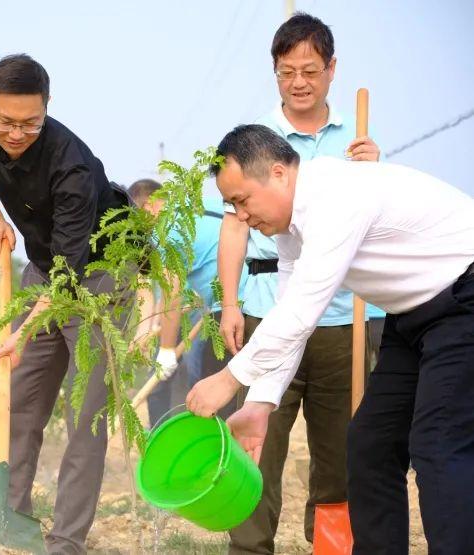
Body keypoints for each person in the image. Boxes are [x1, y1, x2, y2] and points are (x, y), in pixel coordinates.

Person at [188, 123, 474, 555]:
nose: (241, 217)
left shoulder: (335, 195)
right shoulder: (290, 232)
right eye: (231, 205)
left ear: (280, 173)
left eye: (243, 200)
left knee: (437, 443)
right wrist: (259, 404)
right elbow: (286, 315)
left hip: (463, 299)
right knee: (370, 445)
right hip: (412, 316)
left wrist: (229, 378)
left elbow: (302, 311)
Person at [216, 14, 381, 553]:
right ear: (275, 73)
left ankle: (333, 547)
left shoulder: (356, 144)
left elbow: (376, 218)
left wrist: (373, 170)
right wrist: (230, 301)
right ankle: (249, 547)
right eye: (287, 72)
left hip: (343, 321)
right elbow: (235, 225)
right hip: (269, 307)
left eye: (310, 70)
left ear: (331, 70)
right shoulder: (254, 142)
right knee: (256, 438)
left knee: (339, 456)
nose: (299, 82)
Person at [0, 54, 131, 554]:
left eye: (30, 123)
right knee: (19, 405)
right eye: (6, 122)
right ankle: (8, 525)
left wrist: (20, 333)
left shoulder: (70, 166)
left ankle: (65, 542)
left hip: (99, 277)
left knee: (85, 417)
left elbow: (66, 278)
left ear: (48, 107)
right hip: (44, 267)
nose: (16, 133)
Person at [127, 179, 236, 425]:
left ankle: (213, 448)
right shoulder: (197, 206)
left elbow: (170, 294)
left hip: (225, 306)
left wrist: (165, 352)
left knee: (206, 382)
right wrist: (146, 331)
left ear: (151, 206)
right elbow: (152, 289)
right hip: (247, 299)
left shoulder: (167, 227)